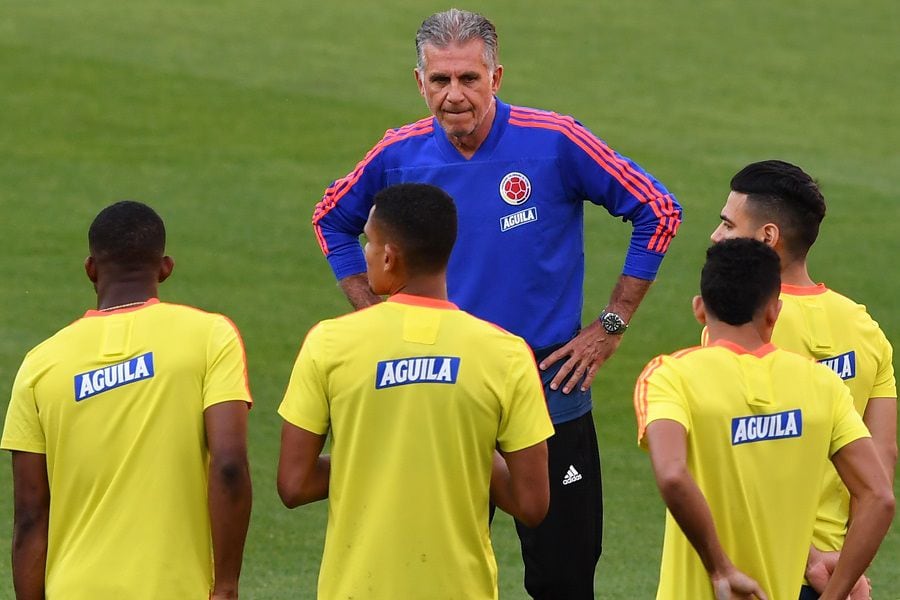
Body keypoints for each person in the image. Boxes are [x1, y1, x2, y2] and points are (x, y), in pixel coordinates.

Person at [311, 9, 682, 597]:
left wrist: (611, 324)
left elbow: (657, 210)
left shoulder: (555, 142)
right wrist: (371, 311)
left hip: (550, 386)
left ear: (496, 76)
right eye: (440, 81)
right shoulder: (398, 155)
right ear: (419, 83)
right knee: (432, 575)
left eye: (468, 79)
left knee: (565, 577)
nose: (454, 96)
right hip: (443, 396)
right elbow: (331, 219)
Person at [278, 183, 553, 599]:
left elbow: (293, 485)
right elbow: (532, 504)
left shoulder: (329, 343)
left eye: (367, 243)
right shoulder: (507, 353)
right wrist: (458, 454)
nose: (366, 253)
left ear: (389, 256)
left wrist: (377, 456)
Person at [1, 201, 253, 600]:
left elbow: (30, 514)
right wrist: (225, 586)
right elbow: (228, 466)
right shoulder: (210, 336)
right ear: (166, 268)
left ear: (90, 269)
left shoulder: (39, 365)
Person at [634, 238, 894, 600]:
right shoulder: (823, 385)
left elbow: (673, 473)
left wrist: (720, 567)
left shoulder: (669, 376)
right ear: (774, 311)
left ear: (699, 309)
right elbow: (878, 496)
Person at [709, 160, 897, 599]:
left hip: (756, 568)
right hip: (837, 569)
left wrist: (809, 561)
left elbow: (738, 457)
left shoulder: (739, 322)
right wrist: (847, 573)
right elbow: (880, 461)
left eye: (727, 223)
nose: (716, 236)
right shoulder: (864, 326)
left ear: (767, 236)